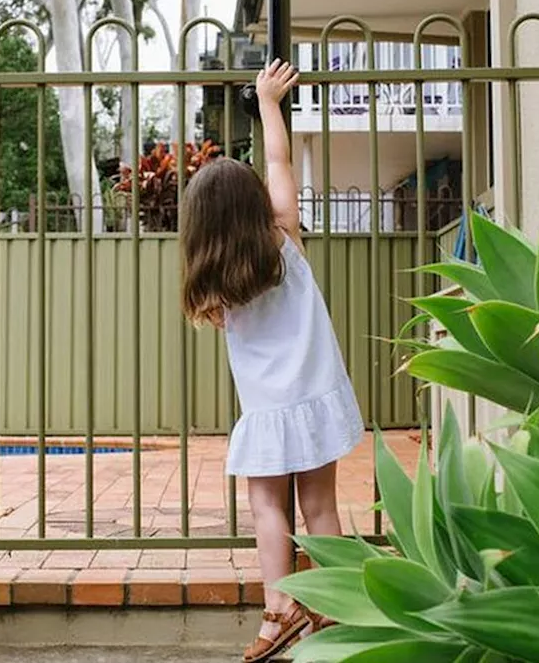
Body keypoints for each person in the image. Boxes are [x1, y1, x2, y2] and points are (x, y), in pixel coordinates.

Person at [179, 59, 364, 663]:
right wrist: (268, 103)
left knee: (267, 507)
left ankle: (278, 611)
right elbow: (281, 163)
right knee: (320, 507)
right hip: (314, 400)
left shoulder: (212, 285)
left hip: (267, 412)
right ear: (256, 204)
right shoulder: (285, 241)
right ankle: (335, 612)